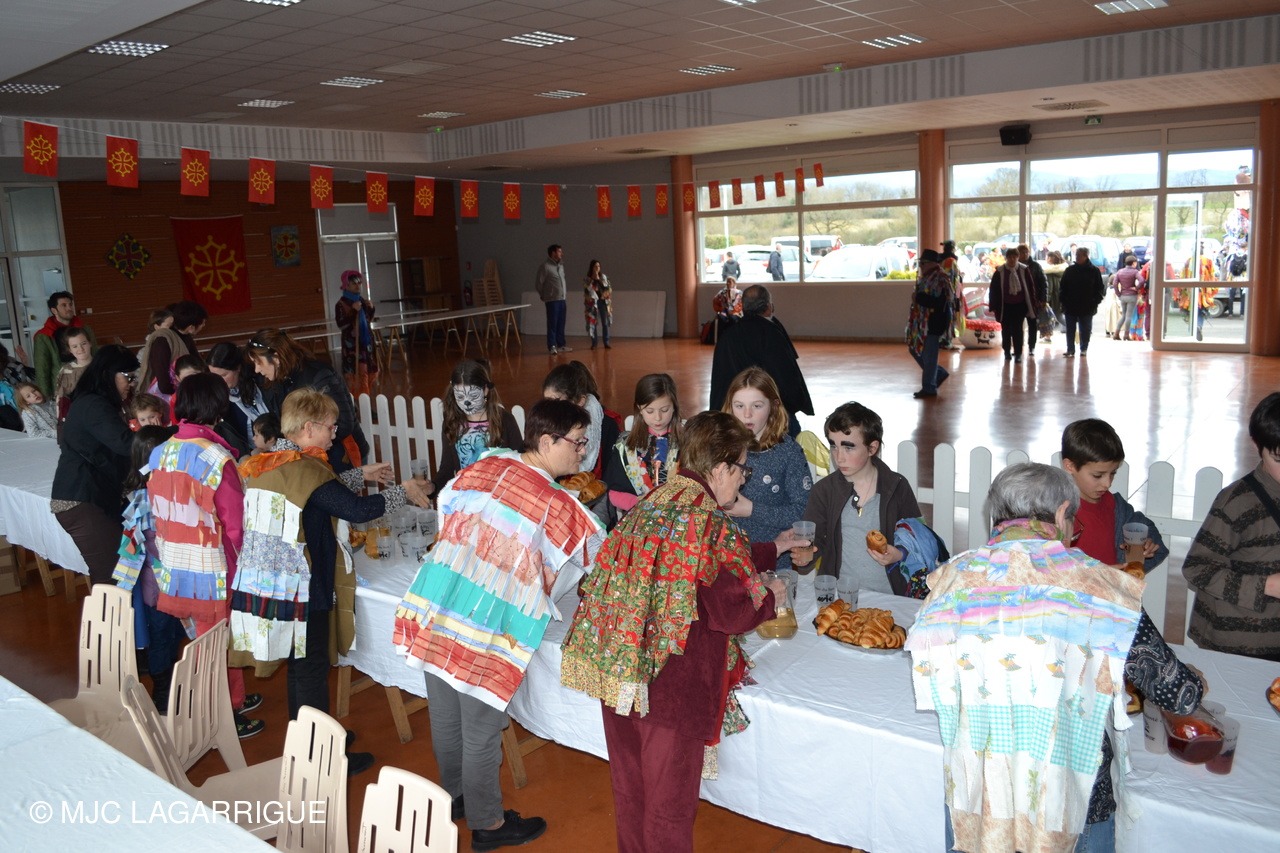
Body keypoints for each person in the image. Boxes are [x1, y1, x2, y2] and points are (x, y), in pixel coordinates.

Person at [907, 462, 1205, 853]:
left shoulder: (951, 579)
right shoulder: (1098, 586)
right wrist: (1195, 679)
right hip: (1071, 796)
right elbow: (1178, 693)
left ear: (997, 514)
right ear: (1063, 512)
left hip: (981, 789)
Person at [559, 411, 801, 853]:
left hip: (622, 673)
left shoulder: (658, 499)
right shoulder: (707, 521)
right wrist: (770, 596)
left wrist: (772, 549)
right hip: (671, 685)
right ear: (721, 468)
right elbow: (731, 611)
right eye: (742, 470)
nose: (742, 481)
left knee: (632, 792)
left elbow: (705, 560)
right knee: (669, 810)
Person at [394, 398, 606, 849]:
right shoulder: (558, 504)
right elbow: (589, 557)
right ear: (547, 441)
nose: (583, 452)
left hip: (439, 597)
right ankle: (487, 824)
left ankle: (455, 797)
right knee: (481, 728)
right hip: (485, 622)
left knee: (446, 715)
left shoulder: (489, 462)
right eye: (577, 442)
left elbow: (446, 505)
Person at [233, 388, 421, 773]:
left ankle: (308, 739)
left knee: (299, 668)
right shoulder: (305, 469)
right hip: (303, 588)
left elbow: (320, 492)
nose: (335, 434)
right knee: (311, 670)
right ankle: (321, 761)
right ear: (308, 427)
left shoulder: (267, 462)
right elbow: (355, 509)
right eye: (330, 427)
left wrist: (360, 474)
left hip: (273, 584)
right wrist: (404, 492)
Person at [148, 372, 264, 738]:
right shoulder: (215, 457)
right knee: (215, 643)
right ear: (218, 408)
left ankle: (234, 698)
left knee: (208, 638)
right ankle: (222, 714)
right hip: (212, 564)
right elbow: (235, 523)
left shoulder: (161, 450)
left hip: (174, 558)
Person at [792, 402, 937, 597]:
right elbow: (815, 541)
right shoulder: (824, 491)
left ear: (872, 448)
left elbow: (919, 539)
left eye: (848, 447)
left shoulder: (896, 486)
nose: (839, 457)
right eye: (833, 446)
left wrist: (899, 553)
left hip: (892, 596)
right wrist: (804, 557)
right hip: (840, 596)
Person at [1183, 392, 1280, 660]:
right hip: (1234, 644)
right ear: (1257, 445)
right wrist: (1266, 586)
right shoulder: (1237, 503)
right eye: (1279, 459)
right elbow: (1197, 568)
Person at [111, 425, 188, 712]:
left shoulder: (143, 495)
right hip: (160, 586)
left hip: (161, 584)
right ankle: (163, 693)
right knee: (163, 639)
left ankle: (167, 688)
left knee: (169, 636)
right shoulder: (147, 500)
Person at [50, 345, 137, 585]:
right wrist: (171, 436)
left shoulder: (96, 403)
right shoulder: (93, 405)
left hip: (91, 496)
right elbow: (125, 444)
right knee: (112, 576)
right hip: (81, 499)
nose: (131, 384)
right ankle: (105, 612)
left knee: (121, 572)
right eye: (128, 377)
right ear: (109, 374)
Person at [721, 367, 811, 570]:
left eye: (757, 405)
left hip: (775, 564)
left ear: (774, 406)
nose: (747, 414)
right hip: (728, 560)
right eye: (739, 406)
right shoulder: (717, 449)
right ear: (730, 407)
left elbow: (804, 512)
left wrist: (752, 510)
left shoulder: (788, 452)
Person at [248, 327, 369, 471]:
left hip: (342, 456)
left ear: (276, 358)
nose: (257, 370)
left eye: (259, 363)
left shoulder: (318, 374)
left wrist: (303, 446)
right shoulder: (277, 382)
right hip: (313, 461)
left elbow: (344, 424)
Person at [1060, 419, 1167, 573]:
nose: (1107, 484)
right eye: (1098, 475)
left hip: (1113, 588)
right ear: (1070, 466)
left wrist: (1147, 544)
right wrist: (1097, 576)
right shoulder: (1056, 512)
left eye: (1113, 473)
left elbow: (1145, 527)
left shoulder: (1115, 506)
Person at [709, 284, 813, 437]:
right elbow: (786, 377)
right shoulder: (771, 334)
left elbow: (719, 380)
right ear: (769, 307)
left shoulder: (727, 336)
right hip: (768, 414)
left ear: (743, 308)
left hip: (733, 413)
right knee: (791, 437)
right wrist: (793, 403)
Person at [426, 359, 524, 498]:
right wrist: (433, 488)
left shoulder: (505, 421)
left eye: (473, 395)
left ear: (485, 390)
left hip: (499, 502)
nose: (467, 402)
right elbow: (446, 469)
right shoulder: (452, 424)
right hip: (466, 501)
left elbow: (520, 464)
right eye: (460, 396)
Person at [604, 373, 681, 520]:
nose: (658, 417)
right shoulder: (625, 446)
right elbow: (613, 492)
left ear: (674, 407)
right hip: (638, 517)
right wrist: (641, 506)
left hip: (678, 519)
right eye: (650, 411)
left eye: (664, 410)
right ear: (639, 408)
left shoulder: (688, 443)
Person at [543, 360, 622, 478]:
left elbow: (613, 473)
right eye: (547, 402)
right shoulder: (543, 421)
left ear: (580, 401)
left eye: (557, 402)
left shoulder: (607, 424)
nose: (550, 409)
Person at [137, 300, 207, 403]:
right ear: (191, 327)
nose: (204, 326)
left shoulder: (186, 337)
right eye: (202, 323)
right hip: (163, 399)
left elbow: (199, 363)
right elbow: (163, 384)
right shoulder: (163, 340)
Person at [906, 248, 953, 399]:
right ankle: (938, 374)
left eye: (924, 263)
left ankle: (929, 387)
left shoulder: (940, 279)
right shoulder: (927, 277)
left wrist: (918, 298)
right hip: (923, 323)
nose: (921, 266)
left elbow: (939, 302)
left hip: (934, 322)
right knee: (915, 349)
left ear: (932, 263)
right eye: (920, 263)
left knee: (929, 355)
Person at [33, 290, 97, 399]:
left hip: (89, 381)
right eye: (64, 305)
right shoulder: (43, 336)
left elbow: (95, 353)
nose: (69, 308)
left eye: (70, 304)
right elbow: (42, 369)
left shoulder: (85, 329)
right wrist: (46, 397)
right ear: (54, 310)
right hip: (62, 386)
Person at [207, 342, 268, 451]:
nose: (218, 381)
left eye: (223, 375)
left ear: (238, 368)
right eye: (214, 375)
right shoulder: (219, 396)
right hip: (249, 453)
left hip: (278, 445)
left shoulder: (263, 382)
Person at [988, 247, 1038, 364]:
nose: (1012, 259)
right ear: (1006, 258)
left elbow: (1031, 288)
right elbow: (993, 290)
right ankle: (1006, 352)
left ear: (1017, 257)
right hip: (1004, 306)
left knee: (1018, 330)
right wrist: (993, 306)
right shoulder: (1000, 271)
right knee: (1006, 330)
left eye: (1014, 257)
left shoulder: (1024, 269)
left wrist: (1033, 303)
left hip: (1019, 305)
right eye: (1009, 257)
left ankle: (1018, 353)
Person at [334, 269, 378, 396]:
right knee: (356, 375)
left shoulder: (361, 301)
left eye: (359, 283)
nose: (358, 286)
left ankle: (365, 398)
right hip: (352, 346)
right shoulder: (341, 304)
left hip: (365, 344)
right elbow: (342, 324)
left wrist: (371, 309)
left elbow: (367, 320)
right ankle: (359, 401)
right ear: (346, 286)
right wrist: (353, 311)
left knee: (371, 372)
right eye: (354, 283)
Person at [1059, 247, 1106, 358]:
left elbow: (1100, 288)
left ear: (1086, 256)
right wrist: (1064, 300)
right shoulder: (1070, 270)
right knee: (1070, 329)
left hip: (1087, 305)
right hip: (1070, 305)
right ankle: (1070, 349)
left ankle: (1084, 348)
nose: (1077, 257)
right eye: (1076, 255)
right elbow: (1062, 286)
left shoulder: (1094, 271)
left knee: (1085, 329)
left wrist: (1095, 301)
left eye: (1079, 255)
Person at [535, 243, 571, 355]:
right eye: (559, 251)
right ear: (553, 253)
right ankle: (552, 346)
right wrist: (544, 295)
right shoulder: (545, 266)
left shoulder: (561, 266)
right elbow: (539, 283)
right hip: (552, 300)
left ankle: (561, 345)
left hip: (562, 299)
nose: (561, 254)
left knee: (561, 323)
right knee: (552, 324)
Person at [53, 327, 94, 414]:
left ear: (90, 343)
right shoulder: (65, 372)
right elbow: (61, 400)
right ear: (69, 349)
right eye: (75, 346)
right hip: (78, 416)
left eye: (83, 344)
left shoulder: (103, 366)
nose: (80, 349)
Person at [1018, 243, 1049, 349]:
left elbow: (1043, 283)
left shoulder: (1036, 266)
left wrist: (1043, 299)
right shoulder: (1015, 266)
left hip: (1033, 300)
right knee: (1017, 325)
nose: (1025, 254)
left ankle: (1031, 346)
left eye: (1026, 252)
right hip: (1019, 300)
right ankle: (1019, 346)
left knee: (1032, 324)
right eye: (1022, 252)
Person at [1111, 255, 1145, 342]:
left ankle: (1116, 333)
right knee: (1129, 316)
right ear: (1133, 263)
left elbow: (1115, 283)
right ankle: (1126, 334)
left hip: (1123, 295)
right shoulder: (1135, 272)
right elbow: (1142, 280)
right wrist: (1136, 288)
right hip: (1132, 296)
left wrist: (1118, 294)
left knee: (1124, 315)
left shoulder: (1120, 272)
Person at [583, 259, 612, 350]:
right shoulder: (588, 279)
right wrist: (594, 279)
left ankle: (606, 342)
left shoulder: (603, 277)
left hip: (603, 302)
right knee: (593, 322)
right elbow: (589, 290)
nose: (597, 268)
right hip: (592, 303)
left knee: (605, 322)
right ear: (592, 268)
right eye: (595, 266)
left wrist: (598, 279)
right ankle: (594, 343)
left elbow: (607, 289)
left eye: (598, 266)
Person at [1043, 250, 1068, 327]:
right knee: (1058, 315)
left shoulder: (1049, 272)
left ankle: (1072, 329)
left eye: (1046, 257)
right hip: (1062, 295)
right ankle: (1069, 328)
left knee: (1057, 316)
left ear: (1050, 258)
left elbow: (1049, 288)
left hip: (1054, 298)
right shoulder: (1063, 269)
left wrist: (1046, 299)